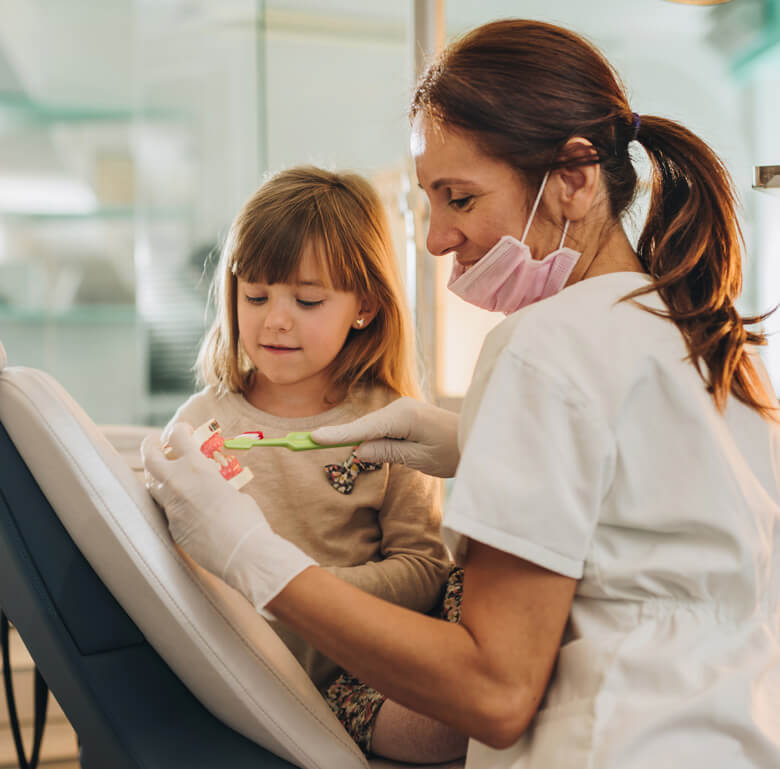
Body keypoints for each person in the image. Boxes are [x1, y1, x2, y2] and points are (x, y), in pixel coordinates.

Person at [143, 19, 780, 768]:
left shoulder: (544, 348)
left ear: (574, 177)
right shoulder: (700, 331)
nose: (438, 237)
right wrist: (468, 445)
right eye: (430, 201)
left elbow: (495, 691)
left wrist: (249, 553)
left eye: (461, 198)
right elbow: (654, 529)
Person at [159, 166, 466, 762]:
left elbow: (424, 569)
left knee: (457, 727)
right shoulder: (202, 424)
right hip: (241, 681)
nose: (275, 319)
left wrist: (309, 592)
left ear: (365, 307)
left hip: (359, 679)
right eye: (256, 296)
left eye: (306, 300)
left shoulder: (393, 426)